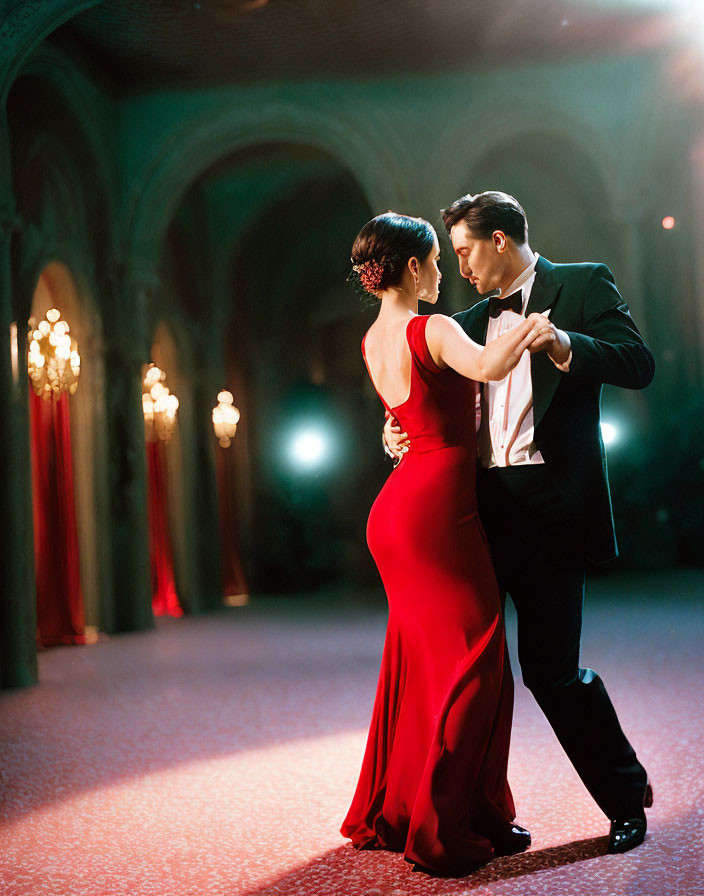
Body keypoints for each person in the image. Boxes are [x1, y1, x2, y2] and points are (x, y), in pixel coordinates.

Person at [384, 191, 654, 855]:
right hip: (471, 519)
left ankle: (624, 795)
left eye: (468, 251)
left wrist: (566, 344)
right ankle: (471, 818)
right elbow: (432, 409)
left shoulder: (585, 284)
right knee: (470, 676)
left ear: (500, 240)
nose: (462, 267)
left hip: (552, 515)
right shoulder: (465, 320)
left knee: (550, 674)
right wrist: (399, 437)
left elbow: (637, 363)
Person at [341, 211, 552, 877]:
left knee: (426, 667)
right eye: (434, 260)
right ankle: (438, 830)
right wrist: (536, 323)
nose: (441, 272)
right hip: (433, 518)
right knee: (478, 661)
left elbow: (401, 418)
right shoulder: (429, 327)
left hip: (398, 515)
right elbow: (489, 363)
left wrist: (389, 438)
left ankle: (461, 811)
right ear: (411, 267)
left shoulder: (373, 337)